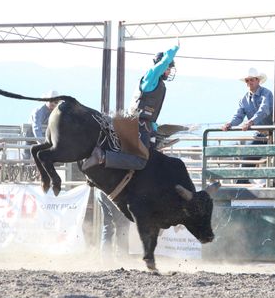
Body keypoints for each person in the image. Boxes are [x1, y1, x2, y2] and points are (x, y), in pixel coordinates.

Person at [82, 42, 180, 171]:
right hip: (139, 126)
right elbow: (162, 64)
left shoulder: (155, 82)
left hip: (143, 125)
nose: (168, 71)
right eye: (168, 68)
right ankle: (103, 156)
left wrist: (155, 129)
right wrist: (174, 49)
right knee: (140, 161)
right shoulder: (151, 78)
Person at [221, 68, 273, 184]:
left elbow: (264, 110)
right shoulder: (244, 99)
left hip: (274, 133)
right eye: (248, 80)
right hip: (261, 134)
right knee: (247, 157)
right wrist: (230, 123)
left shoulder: (266, 93)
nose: (250, 82)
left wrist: (250, 122)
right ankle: (242, 183)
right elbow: (239, 116)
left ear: (258, 80)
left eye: (252, 80)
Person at [23, 90, 59, 159]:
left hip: (43, 138)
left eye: (56, 102)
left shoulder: (55, 113)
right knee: (26, 158)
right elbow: (36, 128)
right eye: (51, 101)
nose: (53, 104)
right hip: (30, 138)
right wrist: (42, 144)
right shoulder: (38, 111)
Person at [96, 189, 130, 260]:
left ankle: (106, 258)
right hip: (113, 191)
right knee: (122, 225)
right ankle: (122, 257)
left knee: (108, 226)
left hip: (101, 191)